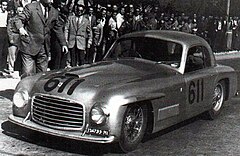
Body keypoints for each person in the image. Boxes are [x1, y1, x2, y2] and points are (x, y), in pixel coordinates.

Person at [15, 0, 68, 78]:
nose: (52, 0)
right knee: (28, 73)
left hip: (44, 47)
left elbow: (58, 28)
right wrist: (20, 28)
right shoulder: (31, 7)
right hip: (29, 45)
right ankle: (25, 89)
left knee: (42, 74)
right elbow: (19, 19)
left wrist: (63, 43)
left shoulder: (54, 11)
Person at [64, 0, 92, 67]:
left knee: (81, 59)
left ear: (84, 11)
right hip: (72, 42)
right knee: (73, 60)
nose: (79, 12)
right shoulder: (71, 18)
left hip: (81, 43)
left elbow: (89, 32)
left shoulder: (86, 21)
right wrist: (66, 39)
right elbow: (66, 29)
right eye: (78, 10)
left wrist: (89, 42)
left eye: (81, 11)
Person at [7, 6, 24, 78]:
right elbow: (9, 30)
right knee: (12, 55)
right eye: (19, 11)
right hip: (14, 38)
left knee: (19, 55)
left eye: (22, 11)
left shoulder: (24, 20)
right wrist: (11, 39)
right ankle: (11, 69)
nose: (21, 13)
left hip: (21, 39)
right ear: (17, 12)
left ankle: (18, 69)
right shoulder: (12, 19)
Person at [0, 0, 8, 73]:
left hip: (5, 30)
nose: (4, 7)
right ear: (1, 5)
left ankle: (3, 67)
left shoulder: (7, 13)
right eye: (3, 5)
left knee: (5, 50)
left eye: (6, 5)